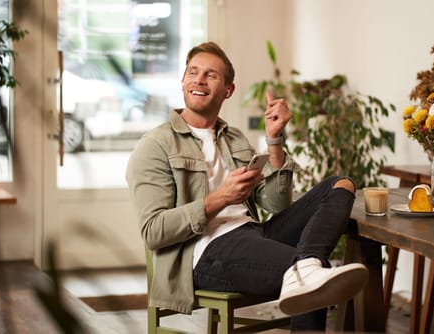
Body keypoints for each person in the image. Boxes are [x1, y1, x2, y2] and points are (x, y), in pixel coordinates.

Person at [126, 41, 369, 331]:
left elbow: (275, 205)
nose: (199, 80)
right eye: (193, 72)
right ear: (183, 82)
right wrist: (221, 198)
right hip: (205, 252)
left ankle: (306, 264)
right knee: (310, 280)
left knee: (340, 185)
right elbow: (154, 231)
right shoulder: (155, 145)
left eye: (211, 75)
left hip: (254, 232)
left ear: (228, 89)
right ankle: (306, 266)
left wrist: (275, 141)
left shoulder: (234, 138)